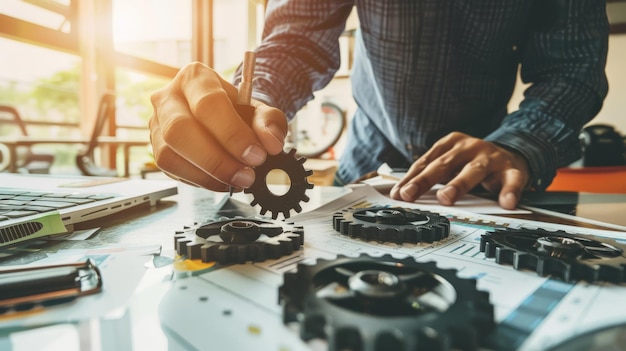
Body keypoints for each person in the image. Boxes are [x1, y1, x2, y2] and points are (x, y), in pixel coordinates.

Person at [149, 0, 609, 210]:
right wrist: (257, 103)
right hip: (365, 170)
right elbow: (297, 41)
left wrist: (521, 142)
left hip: (484, 185)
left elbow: (572, 68)